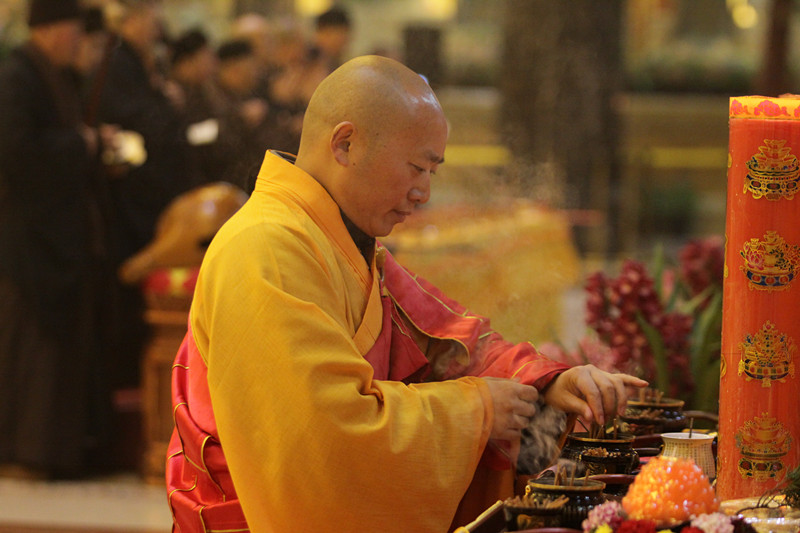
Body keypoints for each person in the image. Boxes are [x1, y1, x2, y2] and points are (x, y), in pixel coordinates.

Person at [165, 55, 647, 532]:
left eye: (432, 174)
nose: (424, 193)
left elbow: (448, 341)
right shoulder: (264, 248)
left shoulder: (341, 242)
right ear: (345, 144)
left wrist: (548, 385)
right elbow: (323, 444)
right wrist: (476, 412)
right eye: (417, 168)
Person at [0, 0, 114, 479]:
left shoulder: (54, 75)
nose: (78, 40)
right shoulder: (17, 77)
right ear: (49, 29)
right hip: (27, 242)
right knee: (32, 349)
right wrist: (84, 144)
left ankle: (55, 453)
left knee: (58, 348)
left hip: (59, 239)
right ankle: (25, 454)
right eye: (72, 30)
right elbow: (18, 152)